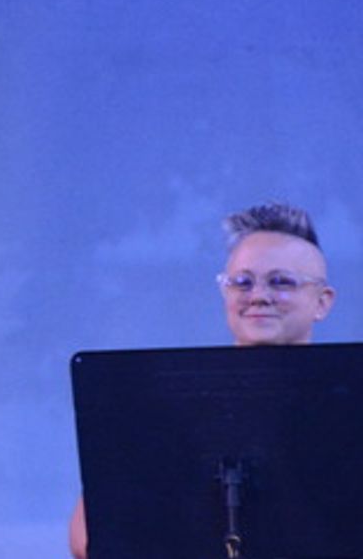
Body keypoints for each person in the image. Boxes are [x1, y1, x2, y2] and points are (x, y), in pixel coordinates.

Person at [68, 201, 337, 559]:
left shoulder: (347, 404)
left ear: (322, 302)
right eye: (242, 282)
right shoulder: (162, 404)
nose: (258, 296)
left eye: (281, 282)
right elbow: (88, 539)